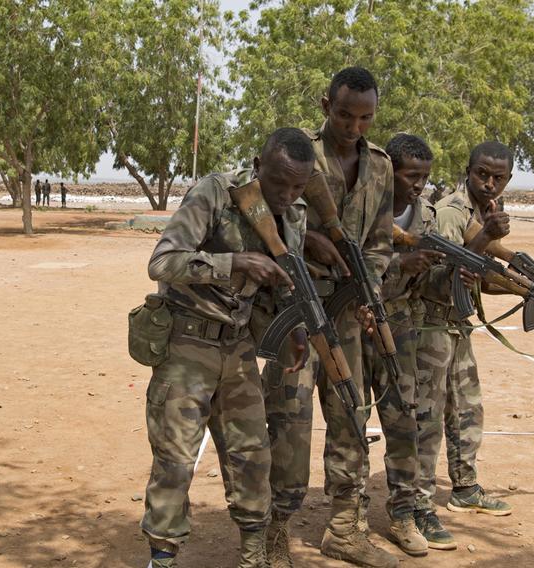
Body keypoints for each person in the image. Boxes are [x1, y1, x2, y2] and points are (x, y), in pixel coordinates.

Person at [141, 127, 314, 568]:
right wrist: (233, 262)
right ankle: (162, 556)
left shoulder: (295, 213)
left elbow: (281, 281)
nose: (287, 195)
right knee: (175, 460)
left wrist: (294, 327)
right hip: (187, 344)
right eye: (279, 184)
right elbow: (162, 261)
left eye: (298, 186)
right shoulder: (215, 193)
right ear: (258, 168)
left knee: (252, 456)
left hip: (238, 347)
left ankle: (254, 555)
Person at [264, 66, 397, 568]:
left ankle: (346, 528)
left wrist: (370, 284)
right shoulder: (297, 153)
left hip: (345, 314)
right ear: (326, 106)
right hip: (295, 310)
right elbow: (264, 213)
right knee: (288, 426)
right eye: (344, 114)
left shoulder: (381, 167)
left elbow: (381, 242)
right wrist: (309, 239)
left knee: (350, 417)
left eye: (365, 117)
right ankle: (274, 535)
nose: (354, 126)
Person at [413, 141, 514, 549]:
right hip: (432, 327)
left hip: (458, 325)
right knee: (427, 420)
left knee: (467, 411)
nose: (489, 183)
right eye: (482, 175)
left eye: (498, 178)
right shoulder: (453, 212)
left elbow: (481, 277)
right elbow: (443, 276)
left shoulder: (485, 212)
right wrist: (486, 237)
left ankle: (465, 487)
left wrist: (521, 286)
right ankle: (418, 507)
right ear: (468, 171)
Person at [352, 134, 446, 558]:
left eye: (425, 178)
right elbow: (345, 264)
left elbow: (430, 283)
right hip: (354, 324)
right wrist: (398, 263)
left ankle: (403, 514)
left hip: (401, 328)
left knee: (403, 422)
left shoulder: (426, 217)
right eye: (412, 176)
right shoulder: (361, 205)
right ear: (390, 170)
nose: (419, 185)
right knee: (350, 421)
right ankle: (352, 511)